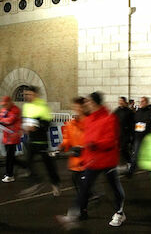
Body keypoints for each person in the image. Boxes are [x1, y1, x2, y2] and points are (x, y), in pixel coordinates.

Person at [56, 92, 126, 229]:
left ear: (94, 103)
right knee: (84, 188)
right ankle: (72, 215)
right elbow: (88, 141)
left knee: (114, 188)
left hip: (108, 160)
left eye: (87, 102)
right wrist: (84, 155)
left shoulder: (109, 119)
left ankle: (119, 213)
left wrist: (96, 145)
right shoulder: (89, 120)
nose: (85, 104)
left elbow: (111, 140)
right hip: (93, 161)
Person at [20, 86, 60, 196]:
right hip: (31, 140)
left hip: (42, 141)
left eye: (29, 94)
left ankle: (55, 184)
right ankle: (37, 181)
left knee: (49, 165)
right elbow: (25, 120)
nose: (27, 97)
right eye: (26, 95)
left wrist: (35, 127)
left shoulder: (42, 106)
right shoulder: (26, 106)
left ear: (35, 95)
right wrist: (25, 127)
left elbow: (47, 124)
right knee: (28, 163)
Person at [0, 96, 24, 183]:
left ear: (9, 102)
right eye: (3, 104)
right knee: (10, 156)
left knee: (9, 156)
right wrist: (0, 120)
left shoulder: (15, 110)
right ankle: (25, 166)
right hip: (6, 136)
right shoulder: (3, 110)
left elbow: (10, 121)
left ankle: (10, 175)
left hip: (13, 136)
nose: (4, 106)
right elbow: (0, 118)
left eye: (5, 104)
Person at [58, 97, 87, 194]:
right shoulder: (70, 124)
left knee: (86, 183)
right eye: (75, 107)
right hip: (75, 160)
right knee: (76, 181)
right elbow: (67, 139)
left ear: (83, 108)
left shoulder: (90, 123)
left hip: (87, 160)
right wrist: (62, 146)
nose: (77, 109)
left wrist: (84, 147)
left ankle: (87, 199)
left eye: (79, 107)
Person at [129, 96, 151, 176]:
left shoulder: (150, 112)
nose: (141, 103)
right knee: (135, 154)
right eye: (140, 101)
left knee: (149, 154)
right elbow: (135, 122)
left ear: (146, 102)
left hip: (146, 137)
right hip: (138, 136)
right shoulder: (138, 112)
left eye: (143, 101)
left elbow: (150, 124)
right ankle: (131, 171)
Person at [114, 97, 135, 170]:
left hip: (126, 133)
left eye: (121, 101)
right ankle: (119, 163)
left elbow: (132, 122)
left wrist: (131, 133)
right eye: (119, 101)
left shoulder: (129, 111)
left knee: (124, 148)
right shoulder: (116, 111)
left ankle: (129, 162)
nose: (120, 102)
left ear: (124, 102)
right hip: (118, 133)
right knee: (118, 149)